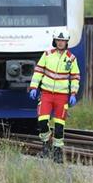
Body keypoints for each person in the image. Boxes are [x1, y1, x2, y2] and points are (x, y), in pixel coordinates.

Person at [28, 29, 81, 164]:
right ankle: (46, 145)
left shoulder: (71, 58)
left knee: (59, 126)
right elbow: (38, 72)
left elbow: (75, 77)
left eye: (63, 40)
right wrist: (34, 87)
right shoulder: (47, 55)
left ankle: (57, 152)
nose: (60, 43)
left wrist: (73, 93)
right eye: (58, 40)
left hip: (62, 97)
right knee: (42, 121)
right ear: (54, 41)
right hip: (46, 94)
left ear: (66, 42)